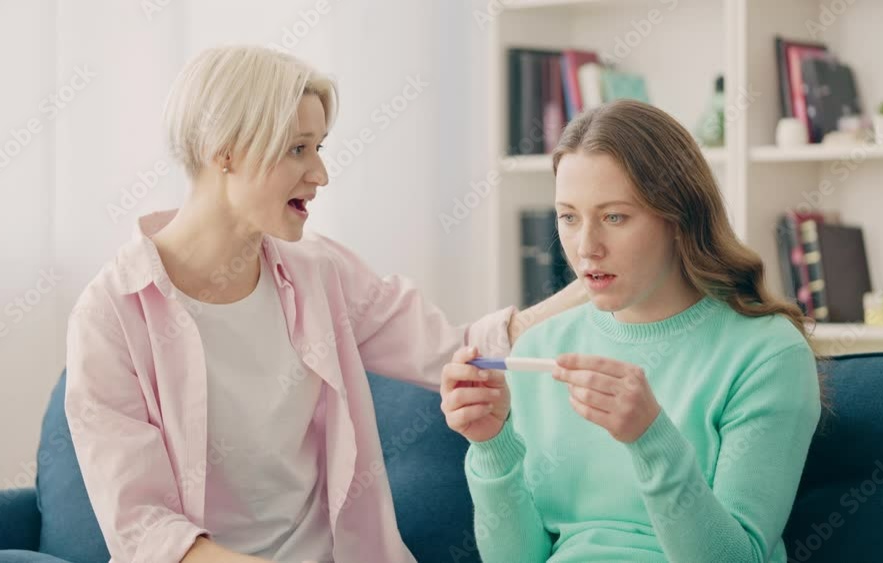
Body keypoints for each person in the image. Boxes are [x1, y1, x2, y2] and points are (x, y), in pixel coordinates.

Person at [64, 46, 586, 563]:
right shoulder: (111, 314)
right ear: (223, 150)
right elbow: (144, 531)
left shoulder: (319, 270)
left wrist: (595, 285)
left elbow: (461, 350)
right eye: (298, 148)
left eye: (319, 148)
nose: (320, 173)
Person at [441, 100, 824, 563]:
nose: (587, 248)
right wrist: (492, 445)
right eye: (569, 217)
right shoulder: (541, 347)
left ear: (679, 217)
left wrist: (650, 437)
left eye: (615, 217)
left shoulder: (767, 354)